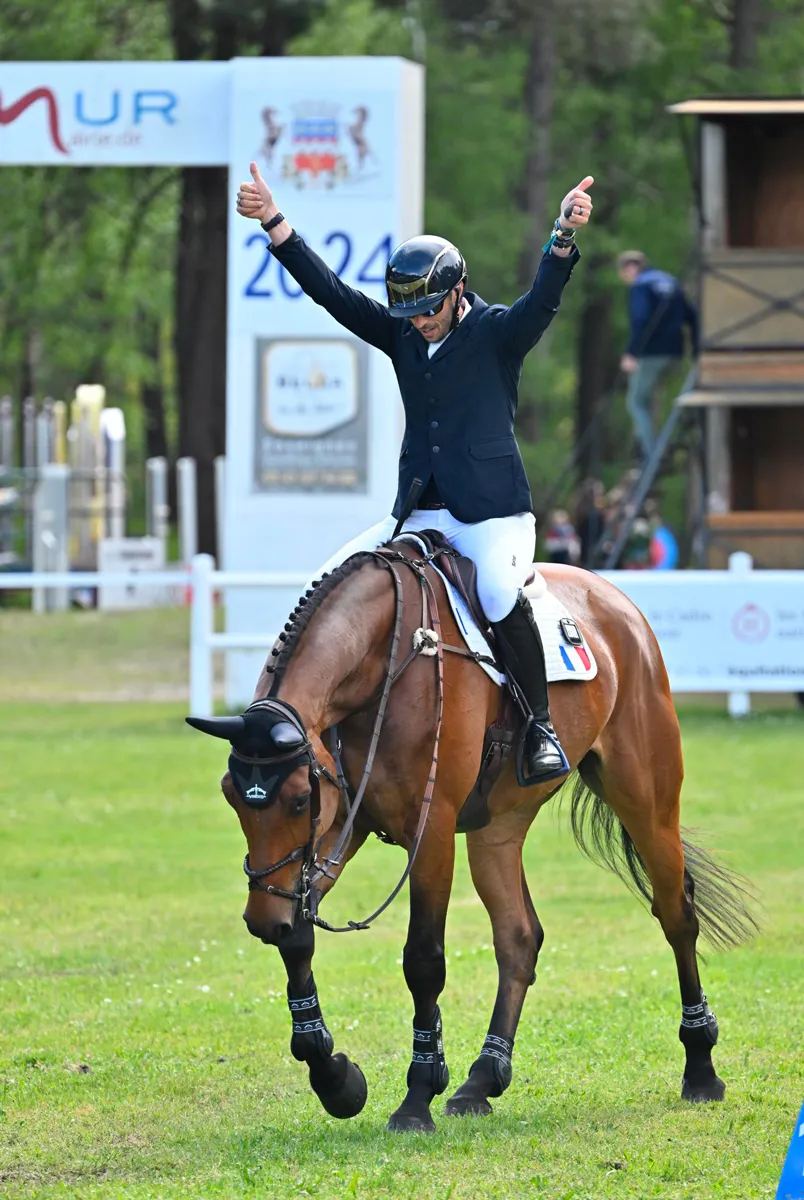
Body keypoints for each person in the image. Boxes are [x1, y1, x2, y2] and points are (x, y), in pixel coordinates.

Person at [237, 163, 594, 786]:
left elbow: (542, 302)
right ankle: (298, 720)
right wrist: (274, 222)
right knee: (328, 583)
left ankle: (540, 726)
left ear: (458, 291)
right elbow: (333, 294)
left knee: (498, 594)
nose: (420, 322)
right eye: (412, 314)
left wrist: (562, 237)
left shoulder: (496, 333)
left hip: (491, 514)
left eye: (429, 310)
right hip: (418, 511)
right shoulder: (403, 333)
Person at [617, 250, 698, 461]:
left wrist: (631, 353)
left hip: (651, 353)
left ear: (630, 269)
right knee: (653, 396)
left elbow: (640, 319)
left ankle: (652, 454)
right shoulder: (671, 282)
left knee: (635, 402)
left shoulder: (640, 285)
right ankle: (649, 445)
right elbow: (692, 316)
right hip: (675, 353)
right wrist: (696, 350)